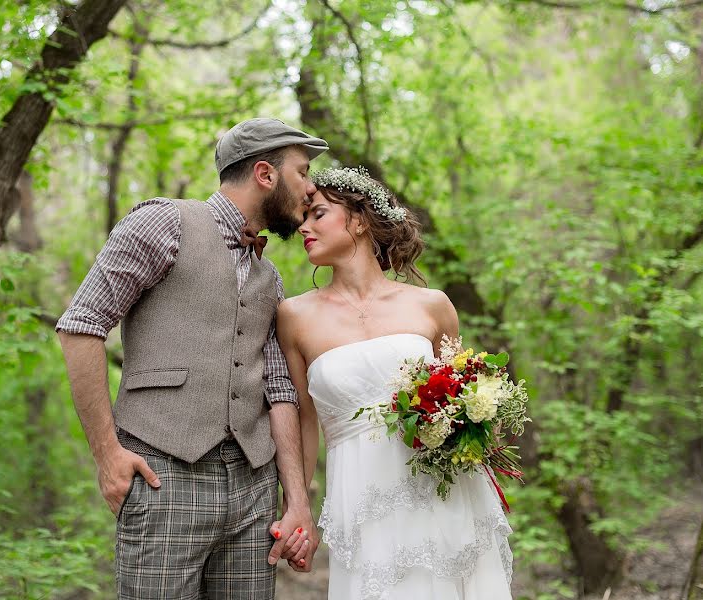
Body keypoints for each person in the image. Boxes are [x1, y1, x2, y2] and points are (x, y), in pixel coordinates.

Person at [55, 118, 328, 599]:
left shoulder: (270, 277)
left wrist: (296, 501)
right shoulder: (162, 223)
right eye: (302, 172)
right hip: (164, 478)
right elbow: (82, 326)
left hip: (252, 491)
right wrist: (107, 456)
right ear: (265, 174)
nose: (310, 189)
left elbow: (280, 392)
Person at [276, 167, 514, 599]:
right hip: (362, 500)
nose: (304, 227)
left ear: (360, 220)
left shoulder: (433, 306)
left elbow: (464, 394)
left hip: (441, 491)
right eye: (303, 219)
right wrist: (299, 508)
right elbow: (303, 420)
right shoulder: (294, 317)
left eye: (318, 214)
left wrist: (475, 421)